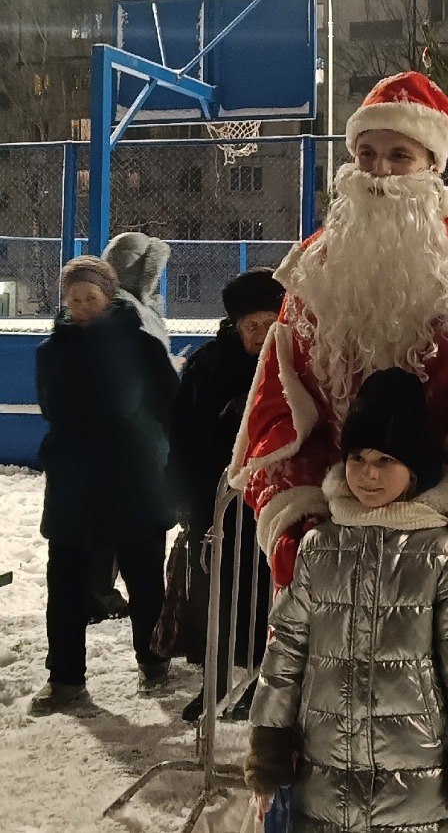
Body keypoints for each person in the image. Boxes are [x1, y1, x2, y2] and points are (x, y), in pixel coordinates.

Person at [229, 71, 448, 595]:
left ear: (433, 166)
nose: (379, 173)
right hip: (330, 531)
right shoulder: (318, 264)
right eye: (366, 154)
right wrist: (292, 521)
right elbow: (279, 405)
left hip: (441, 539)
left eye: (398, 156)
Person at [243, 368, 448, 832]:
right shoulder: (320, 546)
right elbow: (286, 651)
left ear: (416, 469)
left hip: (416, 785)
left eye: (386, 460)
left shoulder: (439, 553)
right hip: (325, 778)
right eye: (358, 457)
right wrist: (268, 739)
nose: (367, 473)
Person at [29, 255, 180, 716]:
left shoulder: (140, 345)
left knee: (144, 578)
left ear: (108, 296)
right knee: (66, 583)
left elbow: (168, 406)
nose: (80, 305)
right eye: (73, 298)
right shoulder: (51, 351)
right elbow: (52, 409)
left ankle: (153, 661)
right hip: (76, 484)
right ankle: (65, 677)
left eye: (89, 297)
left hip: (134, 481)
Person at [168, 268, 285, 723]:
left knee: (271, 597)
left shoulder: (294, 361)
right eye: (250, 326)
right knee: (215, 597)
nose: (259, 334)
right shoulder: (208, 366)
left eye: (268, 322)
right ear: (235, 326)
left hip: (274, 505)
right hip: (217, 508)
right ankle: (212, 681)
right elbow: (182, 435)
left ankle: (264, 680)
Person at [85, 231, 176, 624]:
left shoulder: (118, 306)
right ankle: (102, 595)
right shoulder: (127, 312)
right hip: (130, 439)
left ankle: (99, 592)